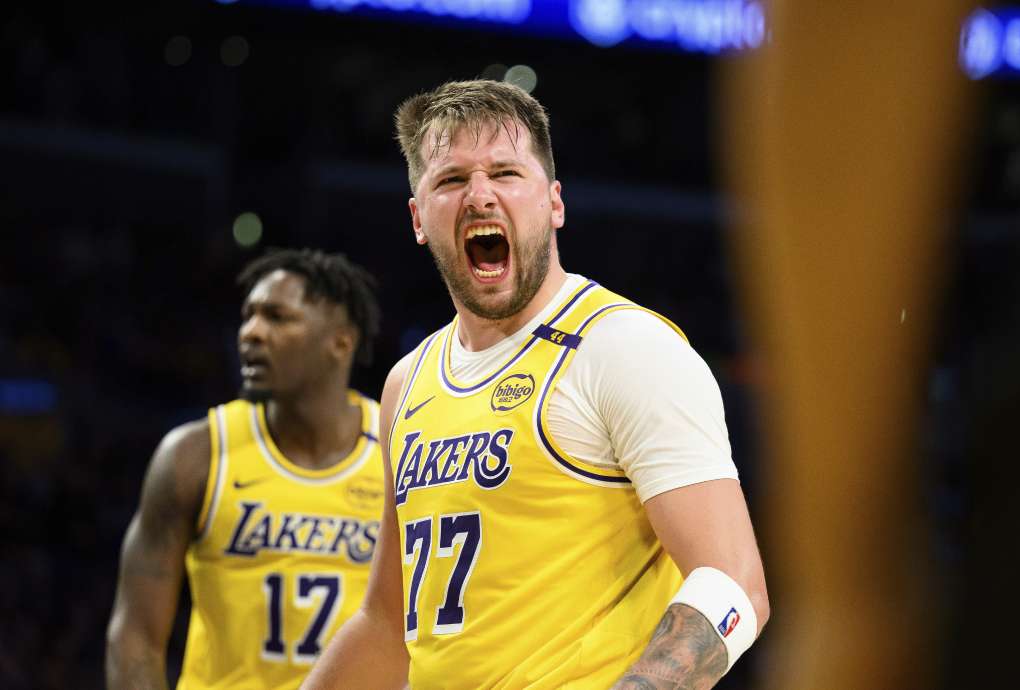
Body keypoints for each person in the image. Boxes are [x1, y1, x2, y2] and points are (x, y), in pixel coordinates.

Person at [303, 80, 769, 690]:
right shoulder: (407, 381)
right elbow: (387, 625)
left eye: (505, 173)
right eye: (450, 180)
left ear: (554, 203)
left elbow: (733, 582)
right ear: (419, 218)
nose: (479, 196)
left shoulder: (624, 347)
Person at [106, 248, 384, 689]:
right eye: (248, 316)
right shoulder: (195, 455)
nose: (251, 333)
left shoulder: (397, 450)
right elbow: (136, 635)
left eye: (276, 317)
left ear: (341, 341)